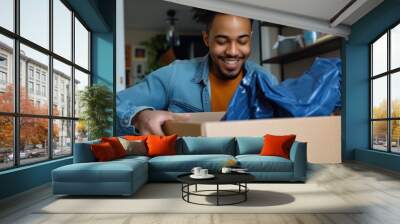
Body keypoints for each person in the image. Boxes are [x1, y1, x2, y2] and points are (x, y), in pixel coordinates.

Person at [117, 9, 278, 136]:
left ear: (250, 38)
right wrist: (139, 117)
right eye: (222, 41)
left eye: (242, 41)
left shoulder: (266, 80)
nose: (233, 51)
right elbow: (111, 105)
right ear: (207, 38)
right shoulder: (176, 74)